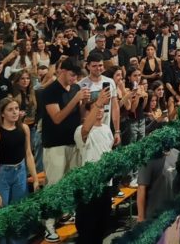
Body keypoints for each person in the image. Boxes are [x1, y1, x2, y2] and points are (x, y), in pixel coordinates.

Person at [40, 59, 88, 243]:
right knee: (54, 184)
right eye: (72, 75)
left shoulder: (75, 88)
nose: (74, 79)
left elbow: (80, 115)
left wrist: (83, 103)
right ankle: (48, 223)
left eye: (76, 76)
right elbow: (57, 118)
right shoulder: (50, 91)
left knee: (70, 182)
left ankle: (64, 213)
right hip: (55, 145)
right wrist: (75, 100)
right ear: (62, 71)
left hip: (73, 142)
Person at [0, 98, 39, 227]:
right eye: (10, 110)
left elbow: (28, 154)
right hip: (1, 174)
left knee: (19, 213)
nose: (15, 112)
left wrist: (35, 178)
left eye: (16, 109)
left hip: (20, 172)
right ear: (2, 113)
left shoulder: (24, 128)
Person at [74, 97, 113, 244]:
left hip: (106, 183)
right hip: (89, 185)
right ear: (87, 113)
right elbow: (85, 129)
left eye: (102, 107)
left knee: (102, 224)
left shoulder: (107, 129)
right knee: (87, 226)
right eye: (95, 108)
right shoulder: (80, 131)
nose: (99, 110)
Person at [77, 54, 121, 147]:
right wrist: (84, 103)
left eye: (100, 65)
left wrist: (117, 131)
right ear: (88, 66)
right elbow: (80, 111)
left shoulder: (110, 82)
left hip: (106, 129)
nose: (98, 68)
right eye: (94, 66)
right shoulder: (81, 84)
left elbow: (115, 107)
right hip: (89, 131)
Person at [136, 149, 180, 223]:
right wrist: (141, 218)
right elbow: (141, 188)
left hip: (174, 214)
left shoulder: (178, 154)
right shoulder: (148, 157)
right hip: (154, 217)